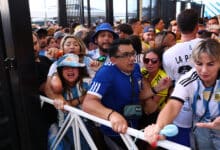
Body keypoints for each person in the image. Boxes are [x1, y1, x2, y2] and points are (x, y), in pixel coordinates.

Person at [82, 39, 171, 150]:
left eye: (133, 53)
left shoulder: (136, 68)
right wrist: (112, 115)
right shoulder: (106, 72)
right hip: (114, 132)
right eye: (126, 55)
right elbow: (88, 103)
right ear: (113, 60)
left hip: (135, 127)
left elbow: (137, 95)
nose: (132, 58)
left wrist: (157, 89)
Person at [144, 38, 220, 150]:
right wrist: (159, 127)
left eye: (210, 64)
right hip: (201, 128)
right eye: (199, 64)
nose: (204, 70)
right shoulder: (189, 78)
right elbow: (174, 104)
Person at [162, 9, 202, 146]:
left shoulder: (168, 54)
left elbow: (172, 80)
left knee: (181, 144)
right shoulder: (208, 46)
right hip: (207, 103)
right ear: (197, 26)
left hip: (181, 104)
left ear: (177, 28)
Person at [50, 53, 90, 150]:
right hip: (64, 127)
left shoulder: (87, 82)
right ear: (60, 71)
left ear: (79, 70)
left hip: (85, 125)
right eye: (66, 68)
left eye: (74, 67)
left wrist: (73, 102)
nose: (70, 70)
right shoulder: (57, 87)